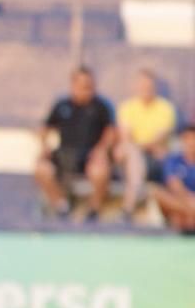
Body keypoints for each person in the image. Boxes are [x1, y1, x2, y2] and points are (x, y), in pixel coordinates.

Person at [34, 67, 116, 218]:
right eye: (83, 86)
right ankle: (61, 205)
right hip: (65, 154)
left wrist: (101, 150)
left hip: (90, 155)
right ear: (73, 85)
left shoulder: (101, 106)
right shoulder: (62, 105)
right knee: (41, 168)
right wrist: (44, 147)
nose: (87, 90)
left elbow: (111, 132)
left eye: (90, 86)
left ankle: (94, 208)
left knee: (101, 171)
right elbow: (44, 129)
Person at [114, 69, 177, 219]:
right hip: (129, 160)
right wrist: (139, 148)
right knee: (131, 154)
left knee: (135, 155)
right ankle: (128, 208)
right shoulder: (127, 107)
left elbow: (160, 138)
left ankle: (128, 208)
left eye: (149, 86)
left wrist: (139, 147)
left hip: (155, 160)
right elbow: (125, 137)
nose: (145, 89)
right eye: (142, 85)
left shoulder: (166, 108)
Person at [153, 125, 195, 234]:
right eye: (187, 139)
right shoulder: (173, 159)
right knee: (157, 193)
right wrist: (190, 203)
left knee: (177, 217)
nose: (190, 143)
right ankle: (190, 214)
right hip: (180, 201)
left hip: (185, 206)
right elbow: (173, 184)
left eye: (193, 139)